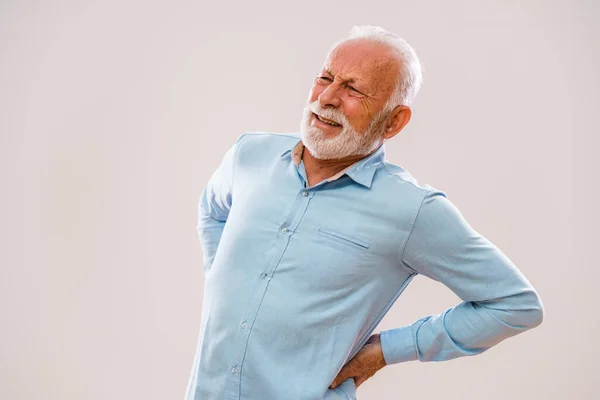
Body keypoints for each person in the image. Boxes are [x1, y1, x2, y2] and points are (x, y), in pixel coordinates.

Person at [184, 25, 544, 400]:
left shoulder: (413, 210)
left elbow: (515, 304)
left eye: (353, 89)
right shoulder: (249, 155)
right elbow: (212, 211)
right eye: (325, 77)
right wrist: (221, 282)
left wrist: (387, 350)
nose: (327, 97)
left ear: (394, 121)